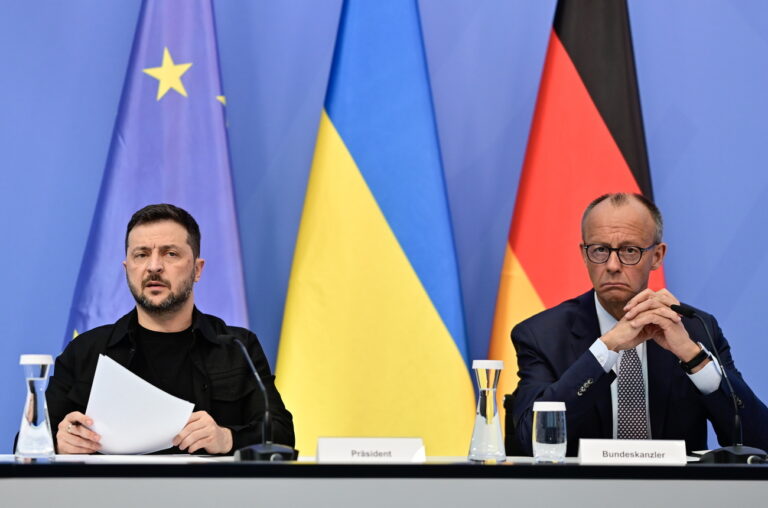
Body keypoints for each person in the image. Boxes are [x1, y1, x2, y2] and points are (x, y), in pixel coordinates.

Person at [510, 193, 768, 456]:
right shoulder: (542, 335)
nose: (612, 265)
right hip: (583, 483)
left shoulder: (697, 330)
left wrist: (694, 359)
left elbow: (759, 443)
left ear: (657, 256)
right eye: (600, 250)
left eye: (629, 251)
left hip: (678, 484)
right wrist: (604, 350)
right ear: (584, 255)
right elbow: (529, 441)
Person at [46, 204, 294, 455]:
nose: (154, 266)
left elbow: (282, 434)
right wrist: (58, 442)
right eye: (141, 255)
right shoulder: (86, 350)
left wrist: (226, 438)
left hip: (207, 482)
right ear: (127, 269)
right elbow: (33, 438)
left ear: (197, 269)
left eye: (170, 254)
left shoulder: (237, 347)